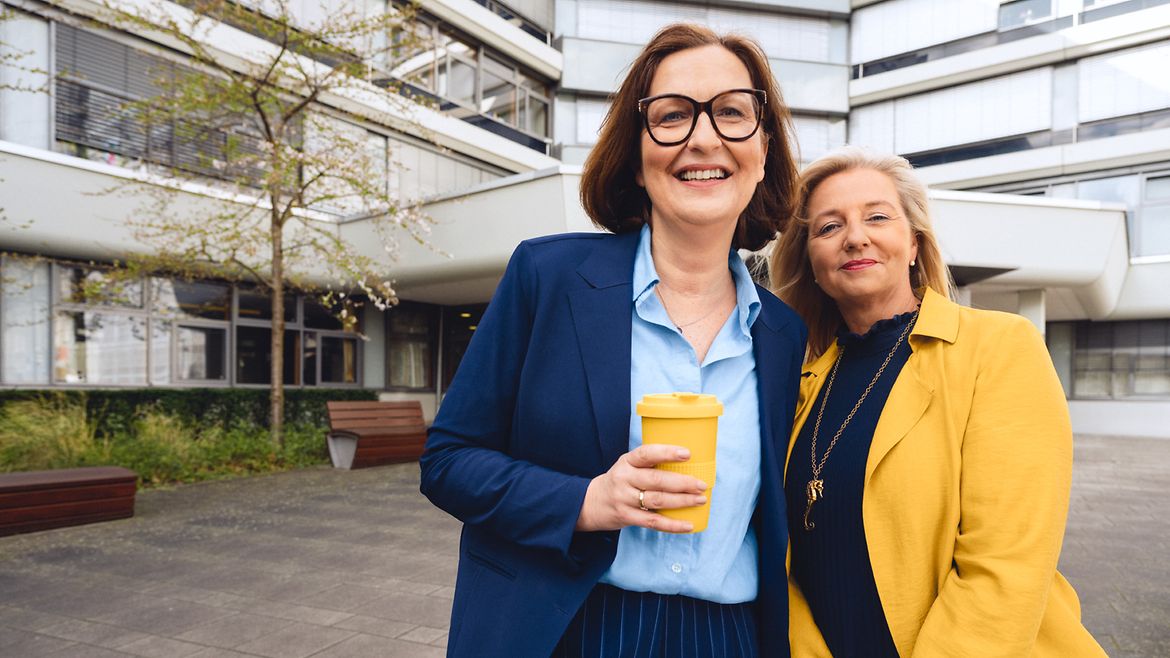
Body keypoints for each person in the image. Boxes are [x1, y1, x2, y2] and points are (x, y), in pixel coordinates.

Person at [420, 23, 807, 658]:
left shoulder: (784, 333)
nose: (703, 138)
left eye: (733, 113)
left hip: (728, 638)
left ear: (763, 149)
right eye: (673, 115)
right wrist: (586, 500)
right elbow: (448, 460)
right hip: (572, 626)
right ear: (636, 152)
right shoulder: (547, 278)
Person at [768, 146, 1107, 657]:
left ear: (913, 243)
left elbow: (1005, 565)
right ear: (811, 261)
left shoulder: (999, 347)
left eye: (877, 216)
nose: (855, 236)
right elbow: (785, 562)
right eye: (828, 227)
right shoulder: (799, 384)